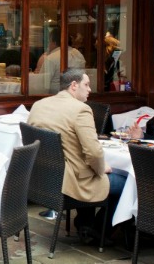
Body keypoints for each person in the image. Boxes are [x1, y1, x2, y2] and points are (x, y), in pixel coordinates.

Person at [27, 68, 126, 240]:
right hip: (70, 180)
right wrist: (102, 169)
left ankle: (85, 225)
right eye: (86, 85)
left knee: (88, 168)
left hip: (44, 178)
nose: (89, 89)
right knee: (128, 183)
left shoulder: (39, 104)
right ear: (73, 85)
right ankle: (100, 231)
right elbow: (94, 153)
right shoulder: (81, 110)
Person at [35, 27, 86, 93]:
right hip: (77, 96)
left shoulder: (51, 58)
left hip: (54, 98)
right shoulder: (79, 55)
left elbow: (41, 85)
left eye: (49, 42)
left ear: (54, 43)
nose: (48, 45)